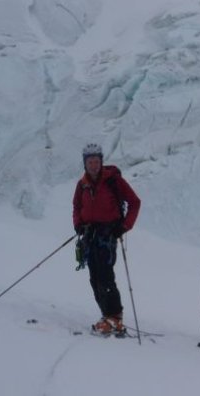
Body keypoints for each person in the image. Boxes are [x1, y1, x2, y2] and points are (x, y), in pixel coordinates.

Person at [73, 143, 141, 336]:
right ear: (85, 163)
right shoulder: (82, 184)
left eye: (96, 161)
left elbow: (135, 202)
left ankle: (115, 317)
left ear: (101, 162)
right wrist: (78, 224)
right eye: (90, 162)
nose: (93, 165)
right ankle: (107, 316)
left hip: (108, 233)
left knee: (105, 274)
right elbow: (76, 206)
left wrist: (124, 226)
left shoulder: (113, 180)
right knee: (94, 276)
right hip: (89, 233)